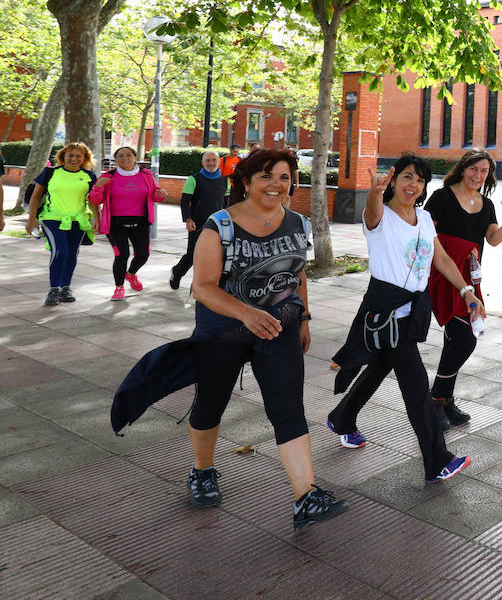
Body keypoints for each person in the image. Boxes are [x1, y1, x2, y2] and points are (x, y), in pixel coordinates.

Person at [111, 148, 347, 530]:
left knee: (288, 408)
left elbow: (296, 274)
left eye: (284, 177)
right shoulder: (219, 225)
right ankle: (202, 470)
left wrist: (303, 317)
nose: (276, 184)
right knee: (210, 402)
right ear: (247, 181)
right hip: (224, 329)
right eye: (266, 176)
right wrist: (247, 313)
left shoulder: (299, 224)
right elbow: (202, 287)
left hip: (278, 327)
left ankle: (306, 496)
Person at [327, 155, 476, 483]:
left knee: (380, 366)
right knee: (416, 384)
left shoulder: (423, 218)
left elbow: (442, 259)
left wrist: (466, 290)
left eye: (420, 180)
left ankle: (342, 418)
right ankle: (437, 460)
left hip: (413, 311)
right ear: (393, 181)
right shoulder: (380, 216)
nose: (413, 185)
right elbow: (372, 212)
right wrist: (373, 193)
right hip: (386, 312)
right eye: (407, 177)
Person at [423, 149, 502, 427]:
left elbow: (494, 239)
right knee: (465, 340)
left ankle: (445, 402)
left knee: (454, 339)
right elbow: (427, 236)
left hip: (470, 280)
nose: (478, 175)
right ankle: (437, 399)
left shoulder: (486, 204)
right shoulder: (441, 197)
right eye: (473, 169)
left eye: (484, 171)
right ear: (463, 169)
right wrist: (459, 249)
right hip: (443, 275)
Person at [88, 146, 166, 301]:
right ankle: (119, 287)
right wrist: (98, 186)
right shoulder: (108, 176)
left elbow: (155, 195)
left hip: (141, 222)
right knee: (122, 255)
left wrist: (160, 195)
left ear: (135, 157)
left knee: (143, 255)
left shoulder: (146, 175)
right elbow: (94, 200)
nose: (125, 158)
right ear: (115, 159)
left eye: (129, 155)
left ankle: (130, 274)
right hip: (116, 223)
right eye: (120, 156)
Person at [26, 142, 98, 306]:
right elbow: (35, 196)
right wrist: (32, 219)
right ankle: (54, 290)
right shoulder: (51, 173)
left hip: (78, 221)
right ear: (63, 156)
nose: (74, 158)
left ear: (84, 158)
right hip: (52, 218)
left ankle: (66, 288)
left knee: (72, 253)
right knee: (60, 251)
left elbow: (93, 200)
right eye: (70, 155)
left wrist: (97, 219)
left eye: (78, 156)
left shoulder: (89, 176)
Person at [170, 150, 228, 290]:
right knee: (193, 255)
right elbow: (185, 202)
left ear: (218, 162)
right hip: (198, 223)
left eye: (213, 160)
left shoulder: (225, 180)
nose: (211, 163)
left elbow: (226, 203)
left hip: (218, 224)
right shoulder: (193, 179)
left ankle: (208, 284)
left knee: (218, 255)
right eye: (207, 160)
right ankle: (176, 273)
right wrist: (188, 219)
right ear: (202, 162)